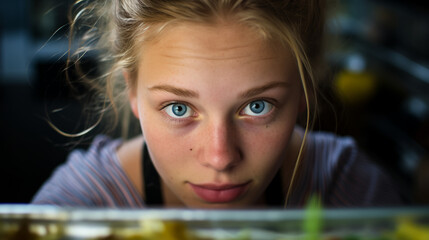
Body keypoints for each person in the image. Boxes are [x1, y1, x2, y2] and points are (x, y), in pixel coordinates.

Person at [32, 0, 404, 208]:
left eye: (258, 106)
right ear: (132, 92)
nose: (220, 157)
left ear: (305, 90)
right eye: (179, 108)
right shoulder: (82, 206)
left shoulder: (349, 188)